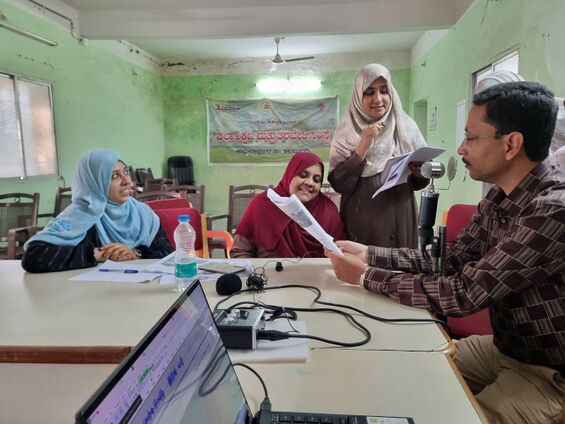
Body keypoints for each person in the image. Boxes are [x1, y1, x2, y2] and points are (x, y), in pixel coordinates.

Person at [326, 81, 565, 424]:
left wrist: (365, 277)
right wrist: (371, 255)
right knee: (402, 370)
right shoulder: (501, 196)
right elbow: (451, 259)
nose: (461, 148)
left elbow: (463, 292)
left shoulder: (552, 210)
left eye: (471, 137)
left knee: (448, 414)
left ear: (511, 144)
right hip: (503, 348)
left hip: (547, 374)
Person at [328, 63, 429, 248]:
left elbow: (421, 183)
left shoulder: (406, 127)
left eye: (384, 91)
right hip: (362, 223)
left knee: (402, 273)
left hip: (402, 217)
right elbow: (339, 183)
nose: (378, 99)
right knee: (363, 273)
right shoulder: (345, 132)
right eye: (369, 92)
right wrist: (362, 147)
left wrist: (418, 170)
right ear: (358, 95)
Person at [22, 150, 173, 273]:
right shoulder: (83, 214)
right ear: (94, 182)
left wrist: (136, 253)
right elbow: (33, 257)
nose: (127, 181)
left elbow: (167, 253)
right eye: (114, 176)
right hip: (92, 298)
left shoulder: (142, 214)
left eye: (126, 172)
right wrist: (100, 254)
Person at [230, 152, 345, 258]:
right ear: (290, 175)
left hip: (316, 278)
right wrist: (256, 276)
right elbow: (241, 252)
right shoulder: (262, 204)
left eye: (316, 180)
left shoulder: (328, 211)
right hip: (268, 276)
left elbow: (341, 255)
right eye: (303, 175)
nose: (310, 183)